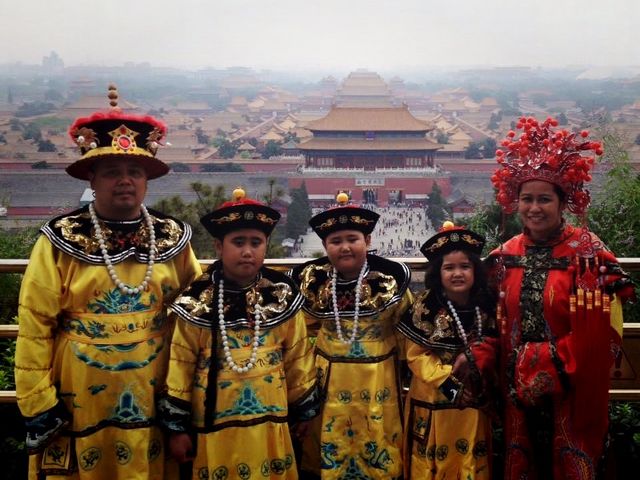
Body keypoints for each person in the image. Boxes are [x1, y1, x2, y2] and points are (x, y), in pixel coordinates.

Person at [14, 85, 202, 479]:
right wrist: (38, 403)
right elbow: (34, 327)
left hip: (156, 387)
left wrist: (188, 396)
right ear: (92, 179)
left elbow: (196, 317)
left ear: (147, 181)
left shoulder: (172, 237)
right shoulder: (61, 240)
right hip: (79, 388)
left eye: (134, 171)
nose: (125, 181)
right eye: (112, 172)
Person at [489, 116, 635, 479]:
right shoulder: (504, 256)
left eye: (544, 199)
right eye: (527, 199)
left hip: (574, 389)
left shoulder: (590, 255)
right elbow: (490, 320)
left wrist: (547, 364)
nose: (534, 208)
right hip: (514, 392)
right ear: (515, 202)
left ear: (562, 202)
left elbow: (609, 330)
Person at [157, 188, 319, 480]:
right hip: (214, 425)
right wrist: (177, 428)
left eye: (256, 242)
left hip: (271, 421)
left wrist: (304, 409)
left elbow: (298, 355)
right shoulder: (196, 301)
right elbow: (180, 367)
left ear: (266, 246)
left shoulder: (281, 294)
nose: (247, 251)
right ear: (219, 246)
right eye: (238, 242)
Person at [289, 192, 413, 479]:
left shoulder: (390, 281)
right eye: (335, 241)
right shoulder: (314, 282)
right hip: (327, 381)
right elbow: (298, 332)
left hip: (378, 378)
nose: (345, 247)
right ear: (324, 246)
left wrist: (410, 376)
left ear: (367, 242)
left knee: (378, 443)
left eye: (352, 239)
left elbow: (407, 331)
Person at [396, 221, 498, 479]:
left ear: (476, 270)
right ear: (437, 273)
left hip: (472, 402)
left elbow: (497, 343)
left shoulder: (486, 304)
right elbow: (416, 357)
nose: (457, 274)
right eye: (449, 267)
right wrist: (452, 387)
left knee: (471, 458)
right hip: (432, 400)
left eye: (465, 266)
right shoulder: (426, 306)